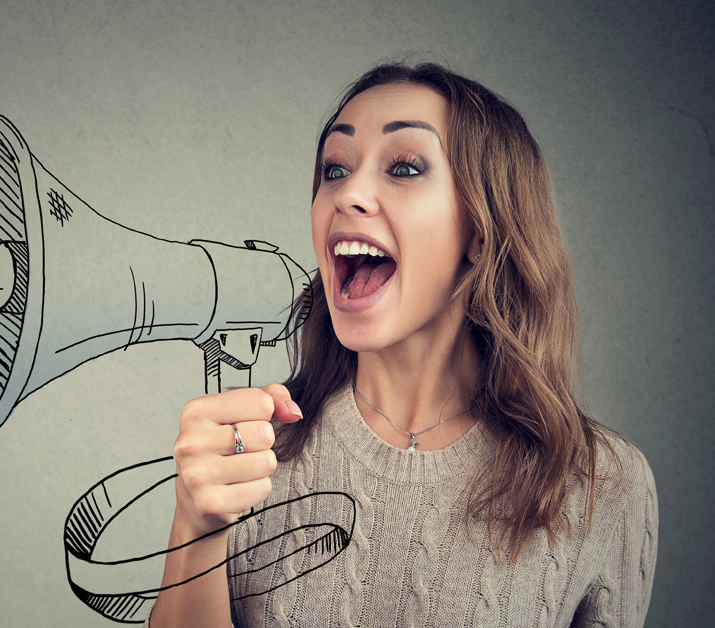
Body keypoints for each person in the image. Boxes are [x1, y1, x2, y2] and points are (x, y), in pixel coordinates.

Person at [147, 62, 658, 627]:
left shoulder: (601, 485)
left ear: (481, 235)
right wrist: (194, 526)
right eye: (335, 170)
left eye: (405, 167)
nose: (349, 194)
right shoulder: (251, 458)